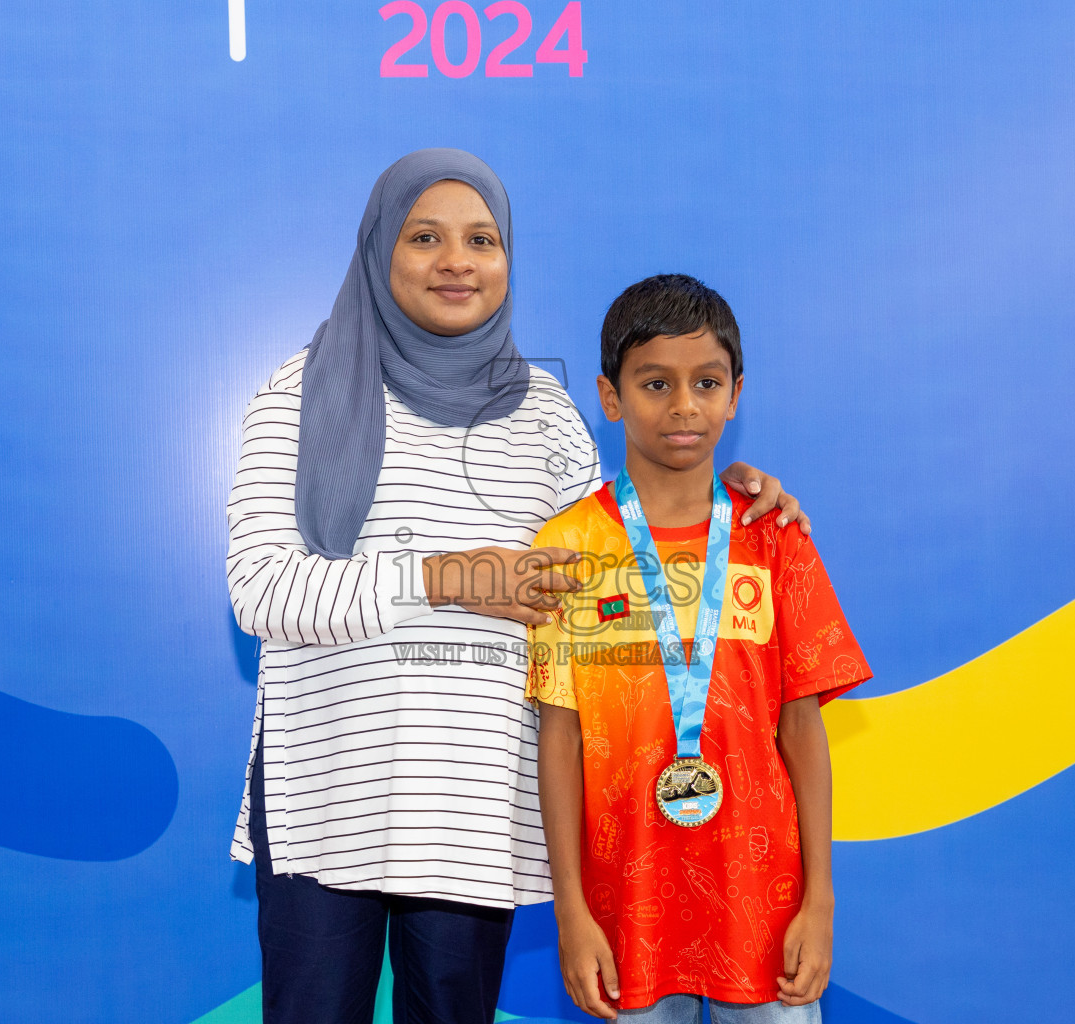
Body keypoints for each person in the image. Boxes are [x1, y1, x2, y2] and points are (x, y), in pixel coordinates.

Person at [227, 151, 809, 1024]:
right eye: (425, 237)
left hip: (476, 809)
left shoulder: (544, 414)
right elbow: (262, 590)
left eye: (482, 239)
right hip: (329, 803)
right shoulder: (297, 395)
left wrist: (734, 497)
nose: (456, 261)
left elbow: (618, 566)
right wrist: (445, 579)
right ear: (380, 249)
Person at [528, 274, 872, 1022]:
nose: (684, 405)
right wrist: (571, 914)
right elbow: (559, 737)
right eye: (655, 383)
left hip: (765, 915)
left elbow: (803, 728)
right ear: (610, 397)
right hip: (627, 916)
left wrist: (820, 901)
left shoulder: (775, 537)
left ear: (735, 395)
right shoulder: (569, 547)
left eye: (706, 383)